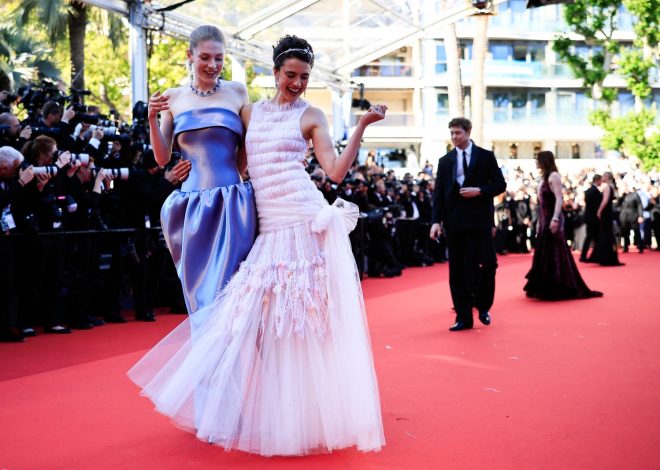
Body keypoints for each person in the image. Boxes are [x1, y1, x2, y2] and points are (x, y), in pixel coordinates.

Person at [129, 34, 386, 456]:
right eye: (290, 75)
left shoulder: (311, 115)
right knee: (255, 318)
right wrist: (182, 171)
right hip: (264, 223)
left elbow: (336, 172)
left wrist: (360, 127)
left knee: (299, 323)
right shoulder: (251, 110)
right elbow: (232, 156)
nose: (297, 83)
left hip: (300, 219)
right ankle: (245, 411)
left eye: (304, 76)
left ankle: (302, 419)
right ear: (275, 73)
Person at [145, 25, 258, 329]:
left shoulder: (237, 91)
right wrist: (152, 120)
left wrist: (237, 175)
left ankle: (231, 369)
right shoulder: (172, 97)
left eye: (219, 58)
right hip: (191, 209)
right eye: (205, 57)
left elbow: (247, 144)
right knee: (199, 294)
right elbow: (162, 157)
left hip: (233, 204)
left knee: (231, 289)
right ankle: (207, 372)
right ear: (189, 56)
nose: (213, 65)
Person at [429, 117, 506, 331]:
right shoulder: (445, 161)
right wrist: (436, 221)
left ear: (468, 132)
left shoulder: (485, 157)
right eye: (452, 133)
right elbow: (438, 194)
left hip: (480, 221)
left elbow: (500, 184)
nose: (454, 137)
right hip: (454, 222)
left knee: (488, 265)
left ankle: (483, 306)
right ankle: (463, 317)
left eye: (458, 133)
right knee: (458, 271)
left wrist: (479, 191)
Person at [523, 151, 602, 300]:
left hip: (551, 218)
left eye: (538, 160)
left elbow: (559, 199)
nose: (536, 162)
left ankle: (557, 286)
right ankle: (545, 286)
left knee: (555, 252)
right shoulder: (544, 178)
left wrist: (555, 219)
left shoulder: (554, 176)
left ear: (544, 161)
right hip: (544, 218)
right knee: (545, 251)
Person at [588, 171, 624, 266]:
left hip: (606, 214)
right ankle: (607, 257)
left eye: (603, 176)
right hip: (608, 213)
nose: (602, 177)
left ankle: (605, 257)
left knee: (605, 234)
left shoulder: (608, 187)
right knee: (607, 235)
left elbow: (605, 201)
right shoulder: (611, 187)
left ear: (607, 177)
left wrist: (599, 211)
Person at [580, 174, 602, 262]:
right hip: (594, 218)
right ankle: (585, 255)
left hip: (588, 217)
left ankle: (589, 255)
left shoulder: (588, 191)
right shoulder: (596, 192)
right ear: (597, 180)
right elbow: (596, 206)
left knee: (590, 237)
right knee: (592, 237)